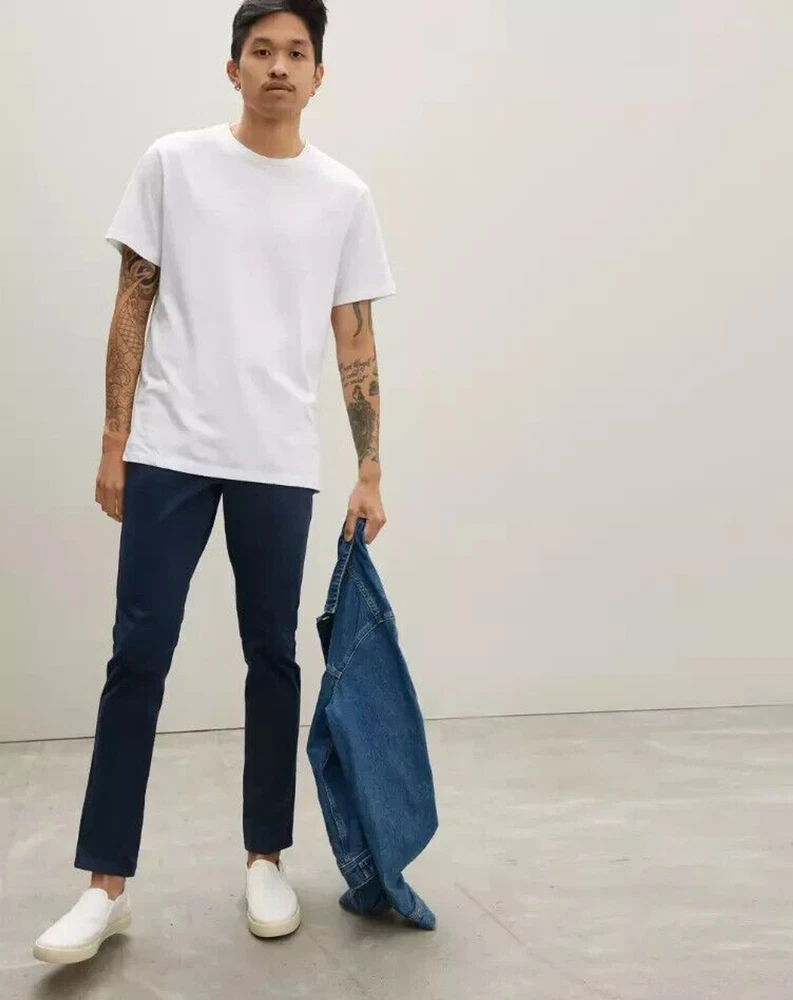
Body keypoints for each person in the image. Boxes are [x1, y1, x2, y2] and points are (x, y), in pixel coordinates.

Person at [34, 0, 395, 965]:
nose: (278, 66)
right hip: (170, 447)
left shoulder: (343, 196)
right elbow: (132, 303)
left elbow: (355, 340)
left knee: (272, 657)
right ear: (232, 68)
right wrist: (114, 439)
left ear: (318, 75)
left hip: (277, 456)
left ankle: (265, 858)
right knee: (138, 654)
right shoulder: (173, 165)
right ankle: (103, 887)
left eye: (296, 52)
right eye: (261, 50)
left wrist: (369, 468)